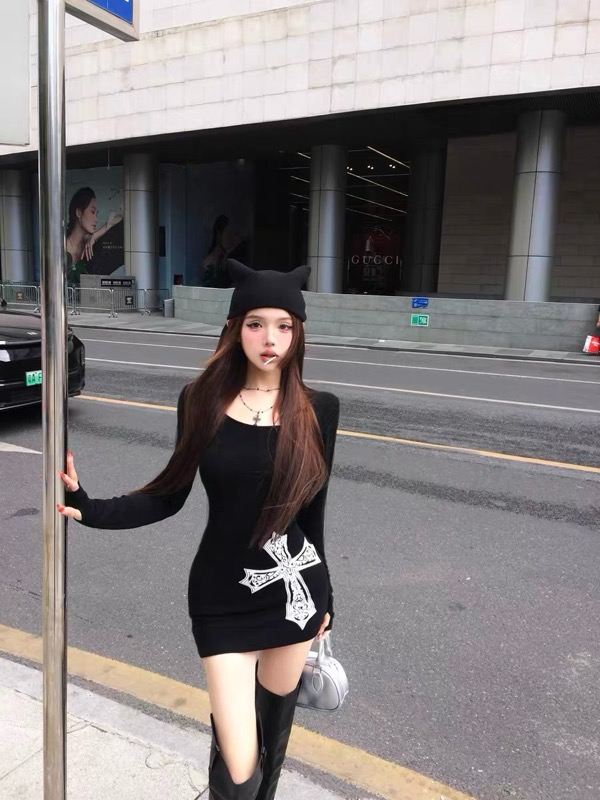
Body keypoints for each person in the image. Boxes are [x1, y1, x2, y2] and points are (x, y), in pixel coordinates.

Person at [57, 260, 340, 800]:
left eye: (284, 326)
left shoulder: (318, 410)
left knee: (272, 747)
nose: (270, 339)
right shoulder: (201, 400)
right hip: (222, 600)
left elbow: (313, 511)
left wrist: (329, 598)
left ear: (298, 333)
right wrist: (90, 507)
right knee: (239, 769)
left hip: (295, 597)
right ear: (234, 328)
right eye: (256, 324)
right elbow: (168, 494)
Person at [66, 187, 123, 285]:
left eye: (97, 214)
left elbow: (120, 217)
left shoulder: (90, 245)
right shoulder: (61, 248)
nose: (96, 219)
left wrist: (95, 236)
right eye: (92, 212)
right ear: (79, 213)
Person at [201, 214, 232, 288]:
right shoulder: (207, 263)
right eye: (227, 234)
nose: (230, 238)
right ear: (219, 234)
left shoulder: (227, 260)